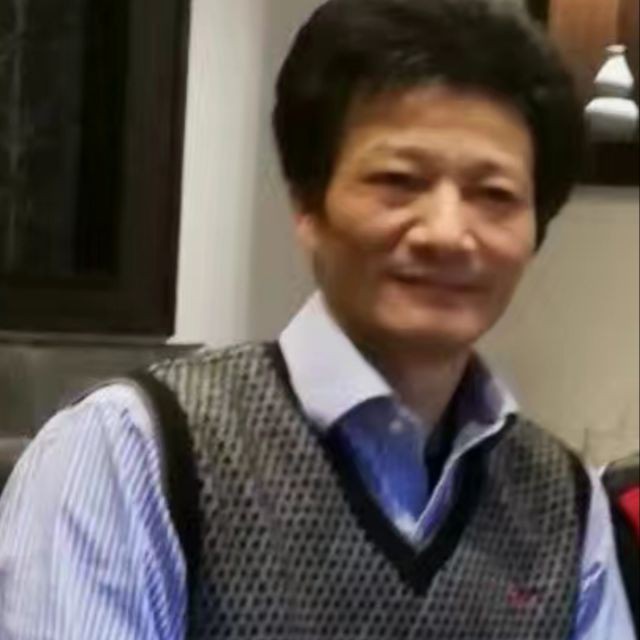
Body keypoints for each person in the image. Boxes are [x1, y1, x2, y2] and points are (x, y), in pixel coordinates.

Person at [0, 0, 635, 638]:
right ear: (307, 205)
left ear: (535, 228)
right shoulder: (134, 452)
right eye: (399, 181)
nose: (446, 233)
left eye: (494, 195)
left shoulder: (566, 502)